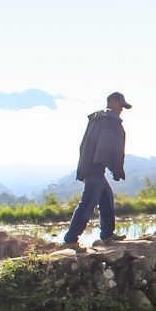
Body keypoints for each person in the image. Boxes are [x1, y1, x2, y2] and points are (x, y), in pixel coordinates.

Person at [63, 92, 132, 247]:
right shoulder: (108, 119)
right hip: (95, 168)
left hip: (94, 166)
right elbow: (108, 147)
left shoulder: (98, 119)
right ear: (112, 102)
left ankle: (107, 234)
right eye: (120, 105)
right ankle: (70, 239)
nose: (121, 109)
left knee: (106, 199)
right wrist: (115, 168)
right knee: (88, 203)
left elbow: (92, 146)